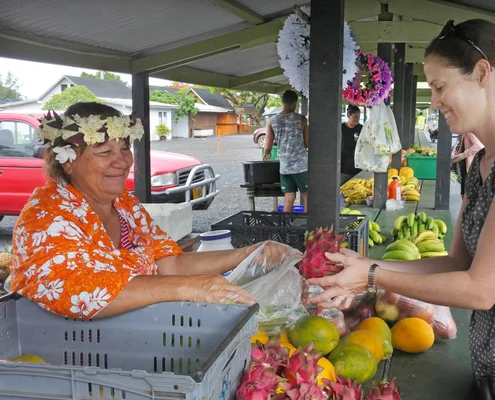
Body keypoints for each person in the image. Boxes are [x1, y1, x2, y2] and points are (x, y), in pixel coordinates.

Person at [307, 19, 495, 399]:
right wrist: (360, 267)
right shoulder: (483, 163)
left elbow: (480, 290)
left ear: (481, 73)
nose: (437, 100)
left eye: (441, 87)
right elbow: (456, 263)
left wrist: (373, 275)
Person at [10, 102, 291, 320]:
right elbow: (77, 289)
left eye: (124, 148)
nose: (122, 161)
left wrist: (247, 254)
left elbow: (169, 262)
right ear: (68, 162)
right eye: (104, 152)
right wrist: (189, 287)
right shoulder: (47, 215)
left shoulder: (125, 206)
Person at [263, 90, 308, 213]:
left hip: (285, 166)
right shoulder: (301, 119)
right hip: (301, 166)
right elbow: (306, 143)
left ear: (283, 102)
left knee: (289, 197)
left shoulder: (272, 121)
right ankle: (309, 227)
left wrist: (266, 152)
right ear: (294, 104)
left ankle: (286, 227)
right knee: (307, 195)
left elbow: (268, 144)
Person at [451, 132, 484, 196]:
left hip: (470, 168)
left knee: (467, 192)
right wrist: (457, 154)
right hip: (465, 167)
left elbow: (479, 146)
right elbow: (463, 149)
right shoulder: (464, 133)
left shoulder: (469, 132)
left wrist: (463, 155)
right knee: (464, 191)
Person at [340, 105, 363, 185]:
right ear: (348, 116)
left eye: (359, 117)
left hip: (358, 168)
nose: (357, 119)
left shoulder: (361, 128)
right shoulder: (341, 128)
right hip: (343, 169)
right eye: (355, 117)